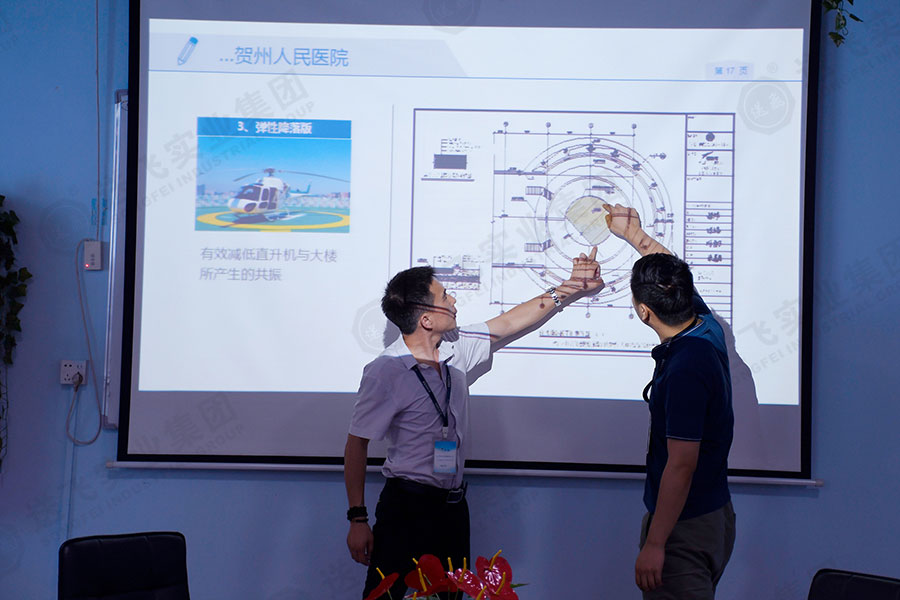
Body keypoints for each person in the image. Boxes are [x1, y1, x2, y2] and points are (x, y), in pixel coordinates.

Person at [344, 250, 603, 600]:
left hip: (452, 508)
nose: (453, 301)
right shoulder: (386, 370)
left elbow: (511, 322)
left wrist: (572, 286)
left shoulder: (456, 347)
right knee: (384, 595)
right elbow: (357, 444)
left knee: (451, 595)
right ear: (425, 319)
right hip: (406, 506)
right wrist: (357, 519)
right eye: (444, 297)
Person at [604, 203, 736, 599]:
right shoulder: (705, 328)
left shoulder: (684, 370)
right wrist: (633, 235)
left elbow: (681, 464)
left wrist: (656, 543)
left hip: (684, 527)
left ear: (644, 312)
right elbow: (675, 278)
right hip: (712, 515)